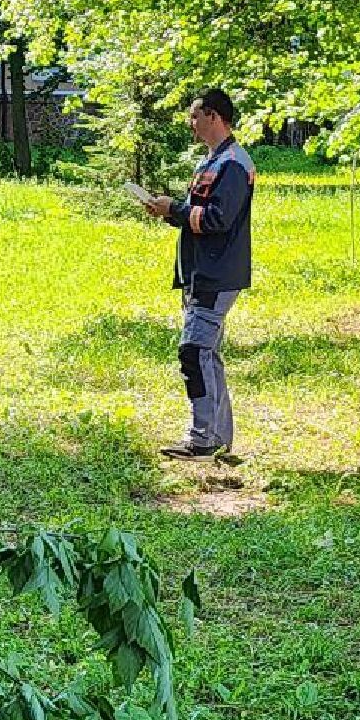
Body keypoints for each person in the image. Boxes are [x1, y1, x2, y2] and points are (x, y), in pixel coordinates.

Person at [143, 89, 255, 459]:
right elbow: (197, 212)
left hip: (216, 273)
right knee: (206, 353)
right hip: (198, 272)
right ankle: (217, 436)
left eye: (195, 117)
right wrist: (170, 210)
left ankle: (202, 438)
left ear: (214, 116)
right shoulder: (210, 162)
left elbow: (218, 220)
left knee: (193, 351)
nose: (190, 125)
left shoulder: (234, 164)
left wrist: (173, 209)